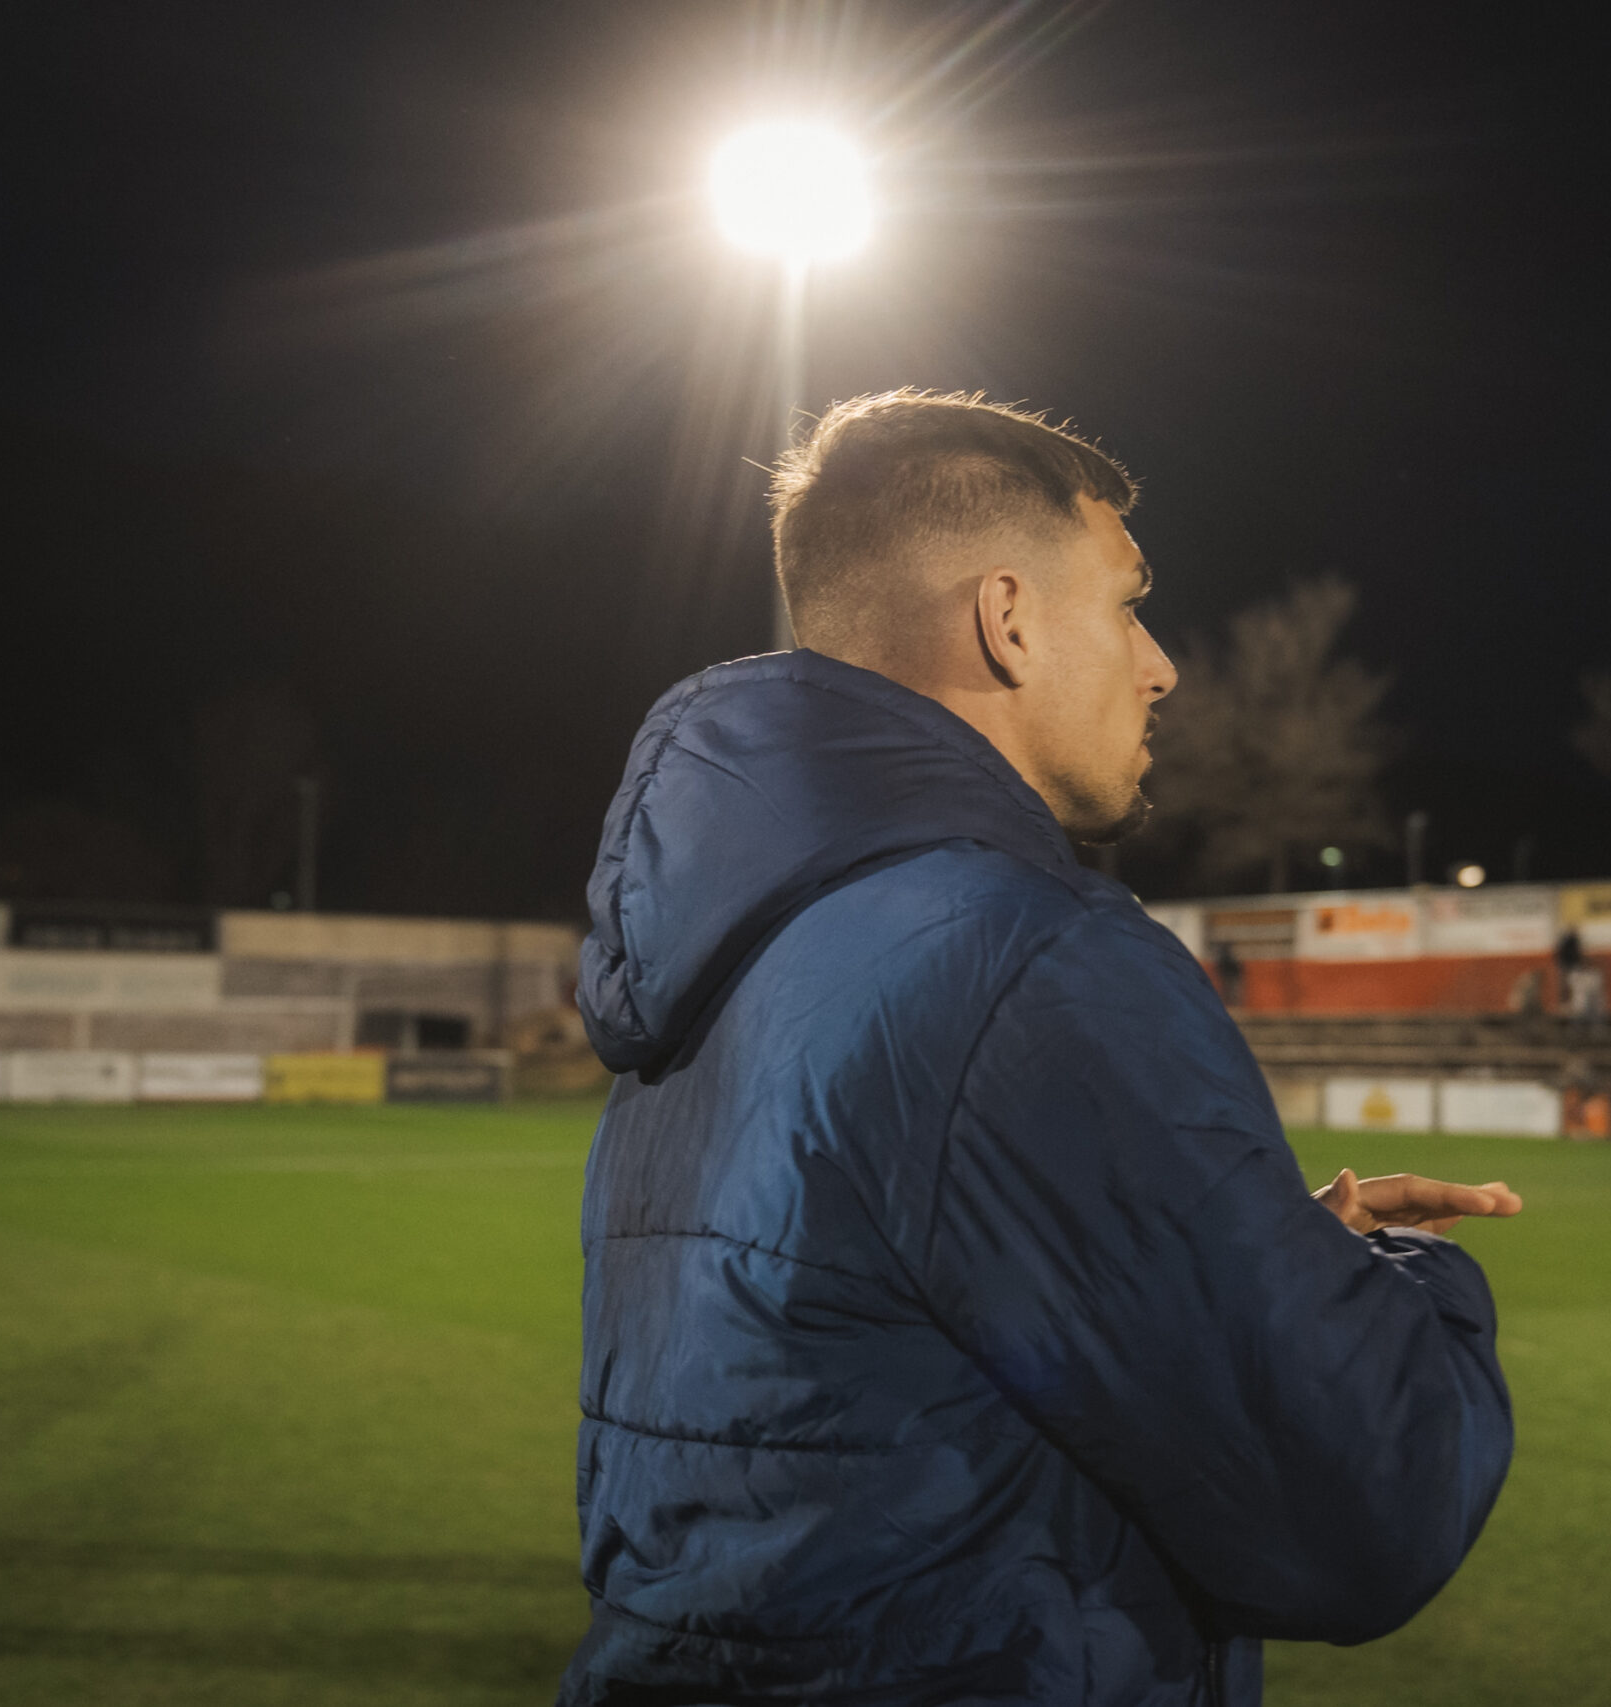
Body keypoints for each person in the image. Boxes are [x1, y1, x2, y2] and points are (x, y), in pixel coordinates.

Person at [562, 393, 1520, 1707]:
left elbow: (861, 1363)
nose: (1161, 665)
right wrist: (1411, 1281)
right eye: (1128, 605)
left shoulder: (724, 953)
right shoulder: (1026, 957)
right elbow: (1371, 1503)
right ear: (1008, 618)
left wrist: (1242, 1250)